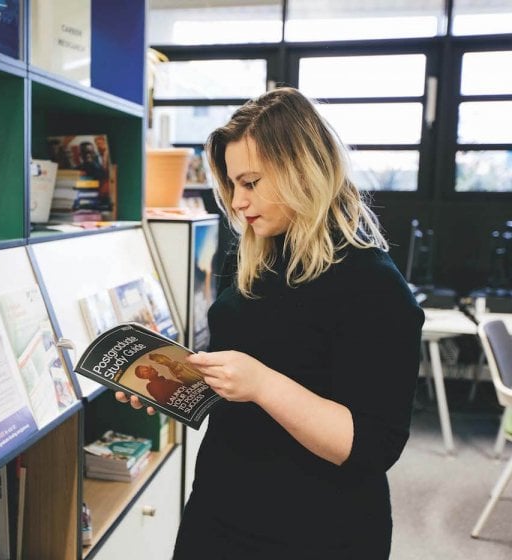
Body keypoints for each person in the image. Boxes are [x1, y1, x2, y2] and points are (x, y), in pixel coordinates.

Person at [117, 87, 424, 559]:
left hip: (315, 531)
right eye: (233, 185)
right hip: (221, 509)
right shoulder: (261, 259)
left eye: (251, 182)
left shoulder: (373, 286)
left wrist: (262, 383)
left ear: (303, 170)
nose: (237, 202)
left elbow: (370, 445)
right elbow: (241, 381)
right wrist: (169, 384)